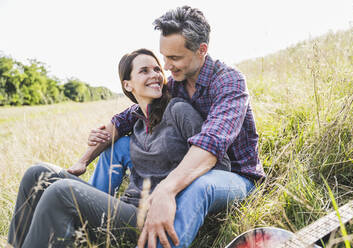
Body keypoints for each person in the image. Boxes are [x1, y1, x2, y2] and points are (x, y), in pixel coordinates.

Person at [70, 5, 266, 248]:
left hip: (232, 174)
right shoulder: (175, 84)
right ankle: (90, 220)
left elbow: (212, 144)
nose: (166, 66)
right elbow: (127, 118)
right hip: (191, 165)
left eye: (174, 58)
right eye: (164, 57)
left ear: (201, 50)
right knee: (120, 145)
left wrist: (166, 190)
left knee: (199, 186)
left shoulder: (229, 81)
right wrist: (83, 160)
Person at [8, 48, 228, 247]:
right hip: (124, 207)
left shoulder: (179, 110)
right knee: (37, 173)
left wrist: (174, 194)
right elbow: (113, 127)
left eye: (156, 69)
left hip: (149, 215)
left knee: (62, 192)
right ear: (127, 85)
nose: (154, 75)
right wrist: (83, 161)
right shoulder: (137, 120)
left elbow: (216, 161)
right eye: (144, 71)